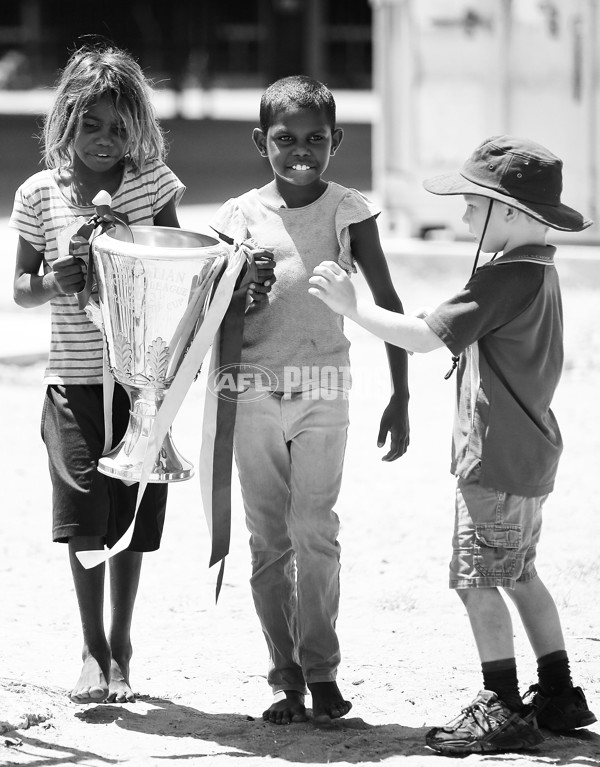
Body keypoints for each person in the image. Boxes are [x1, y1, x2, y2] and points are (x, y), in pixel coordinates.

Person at [309, 135, 596, 754]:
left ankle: (502, 703)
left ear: (511, 213)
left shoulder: (504, 279)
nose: (463, 216)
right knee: (519, 573)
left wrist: (351, 308)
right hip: (528, 451)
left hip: (495, 457)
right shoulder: (539, 268)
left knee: (476, 580)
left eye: (472, 203)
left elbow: (420, 337)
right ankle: (559, 692)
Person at [210, 75, 410, 725]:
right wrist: (243, 292)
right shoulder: (237, 218)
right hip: (252, 393)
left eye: (315, 139)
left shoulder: (350, 210)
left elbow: (386, 303)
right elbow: (210, 316)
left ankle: (322, 670)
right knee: (269, 539)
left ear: (337, 141)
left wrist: (401, 391)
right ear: (259, 141)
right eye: (284, 139)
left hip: (326, 391)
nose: (301, 150)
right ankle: (284, 678)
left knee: (314, 531)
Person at [10, 43, 187, 706]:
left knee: (128, 517)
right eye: (92, 125)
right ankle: (92, 645)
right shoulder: (38, 194)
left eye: (120, 127)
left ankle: (122, 643)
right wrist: (55, 280)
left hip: (141, 383)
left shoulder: (151, 185)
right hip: (71, 382)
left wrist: (131, 248)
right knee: (82, 512)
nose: (107, 140)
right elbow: (22, 288)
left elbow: (181, 265)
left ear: (138, 127)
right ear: (66, 122)